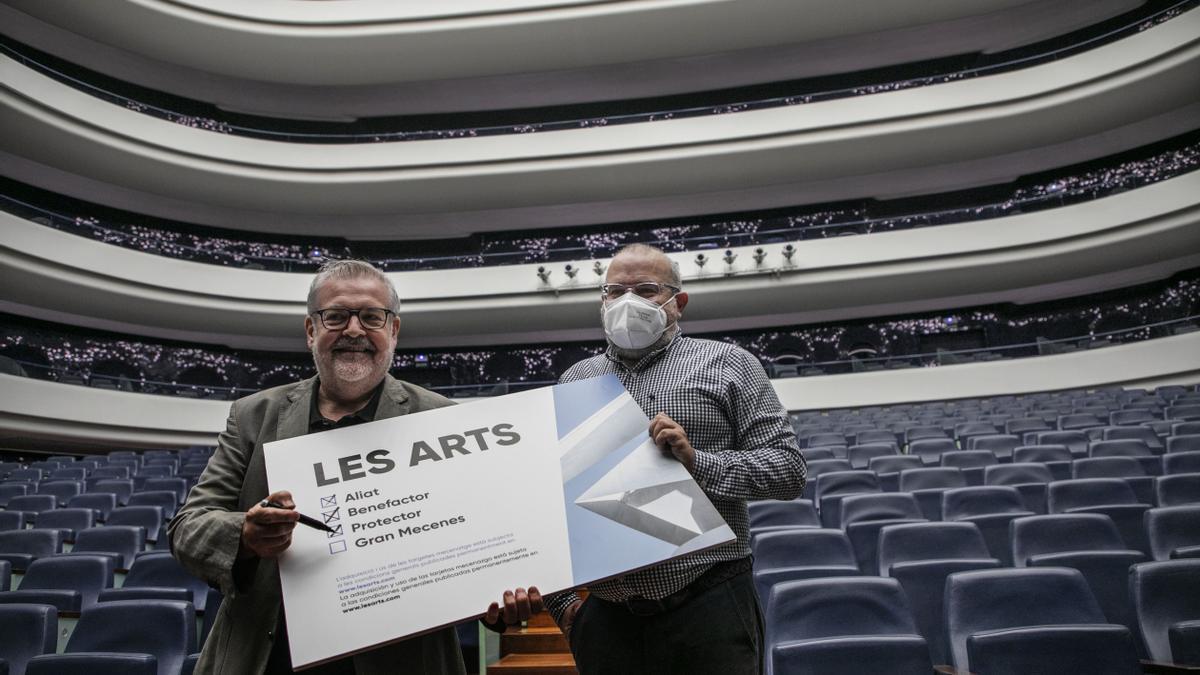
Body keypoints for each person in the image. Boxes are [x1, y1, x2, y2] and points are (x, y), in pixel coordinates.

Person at [491, 243, 806, 674]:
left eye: (646, 289)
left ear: (678, 302)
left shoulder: (729, 363)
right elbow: (554, 500)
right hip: (608, 617)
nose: (628, 302)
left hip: (708, 602)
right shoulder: (574, 381)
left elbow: (788, 471)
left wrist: (697, 463)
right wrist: (566, 608)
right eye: (615, 291)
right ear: (602, 302)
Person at [169, 260, 465, 675]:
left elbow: (469, 533)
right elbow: (188, 528)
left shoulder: (442, 417)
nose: (355, 330)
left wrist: (497, 597)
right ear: (311, 330)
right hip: (268, 656)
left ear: (393, 330)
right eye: (336, 316)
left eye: (371, 316)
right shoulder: (253, 415)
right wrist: (246, 535)